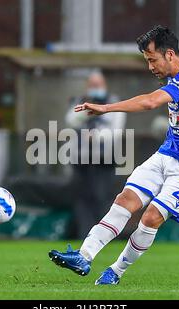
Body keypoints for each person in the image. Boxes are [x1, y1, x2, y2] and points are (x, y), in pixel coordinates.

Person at [49, 26, 179, 285]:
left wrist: (106, 108)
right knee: (126, 199)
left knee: (151, 217)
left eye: (152, 59)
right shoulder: (177, 77)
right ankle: (84, 256)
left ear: (170, 54)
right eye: (147, 60)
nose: (150, 67)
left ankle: (115, 271)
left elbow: (150, 102)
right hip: (167, 154)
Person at [65, 71, 126, 238]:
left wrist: (97, 135)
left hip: (104, 160)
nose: (95, 88)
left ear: (104, 85)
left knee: (102, 197)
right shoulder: (80, 101)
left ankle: (104, 236)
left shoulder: (113, 102)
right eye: (92, 85)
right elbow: (70, 120)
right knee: (83, 199)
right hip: (81, 159)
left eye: (98, 85)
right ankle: (84, 234)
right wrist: (88, 107)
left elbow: (116, 131)